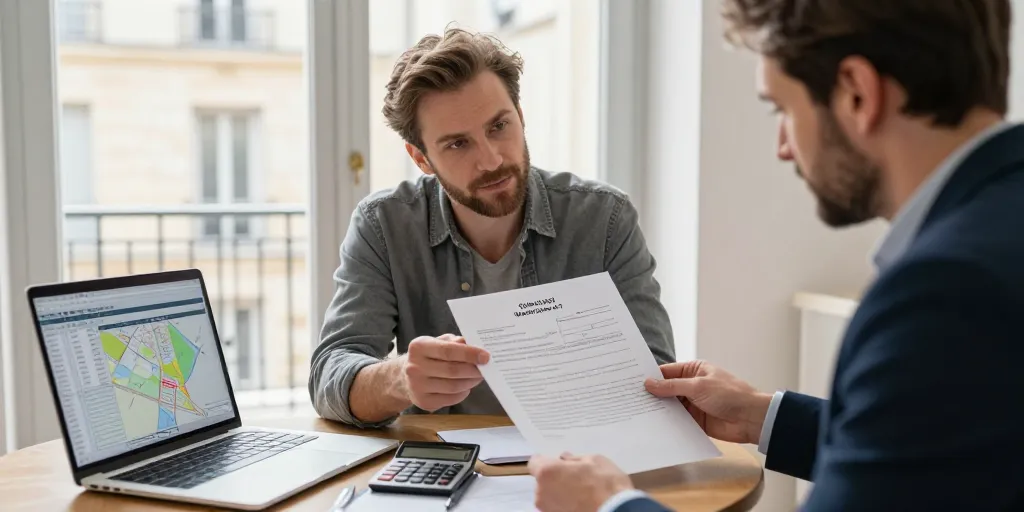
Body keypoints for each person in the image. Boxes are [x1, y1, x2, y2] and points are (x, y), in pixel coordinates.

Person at [529, 0, 1024, 510]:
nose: (784, 147)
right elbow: (935, 444)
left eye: (783, 109)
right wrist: (761, 416)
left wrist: (611, 504)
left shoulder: (944, 292)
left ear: (857, 92)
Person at [307, 28, 675, 428]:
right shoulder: (383, 226)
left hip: (582, 461)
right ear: (421, 158)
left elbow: (656, 376)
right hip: (443, 470)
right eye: (457, 144)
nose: (491, 159)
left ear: (520, 115)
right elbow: (330, 375)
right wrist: (399, 380)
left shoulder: (605, 218)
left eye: (499, 126)